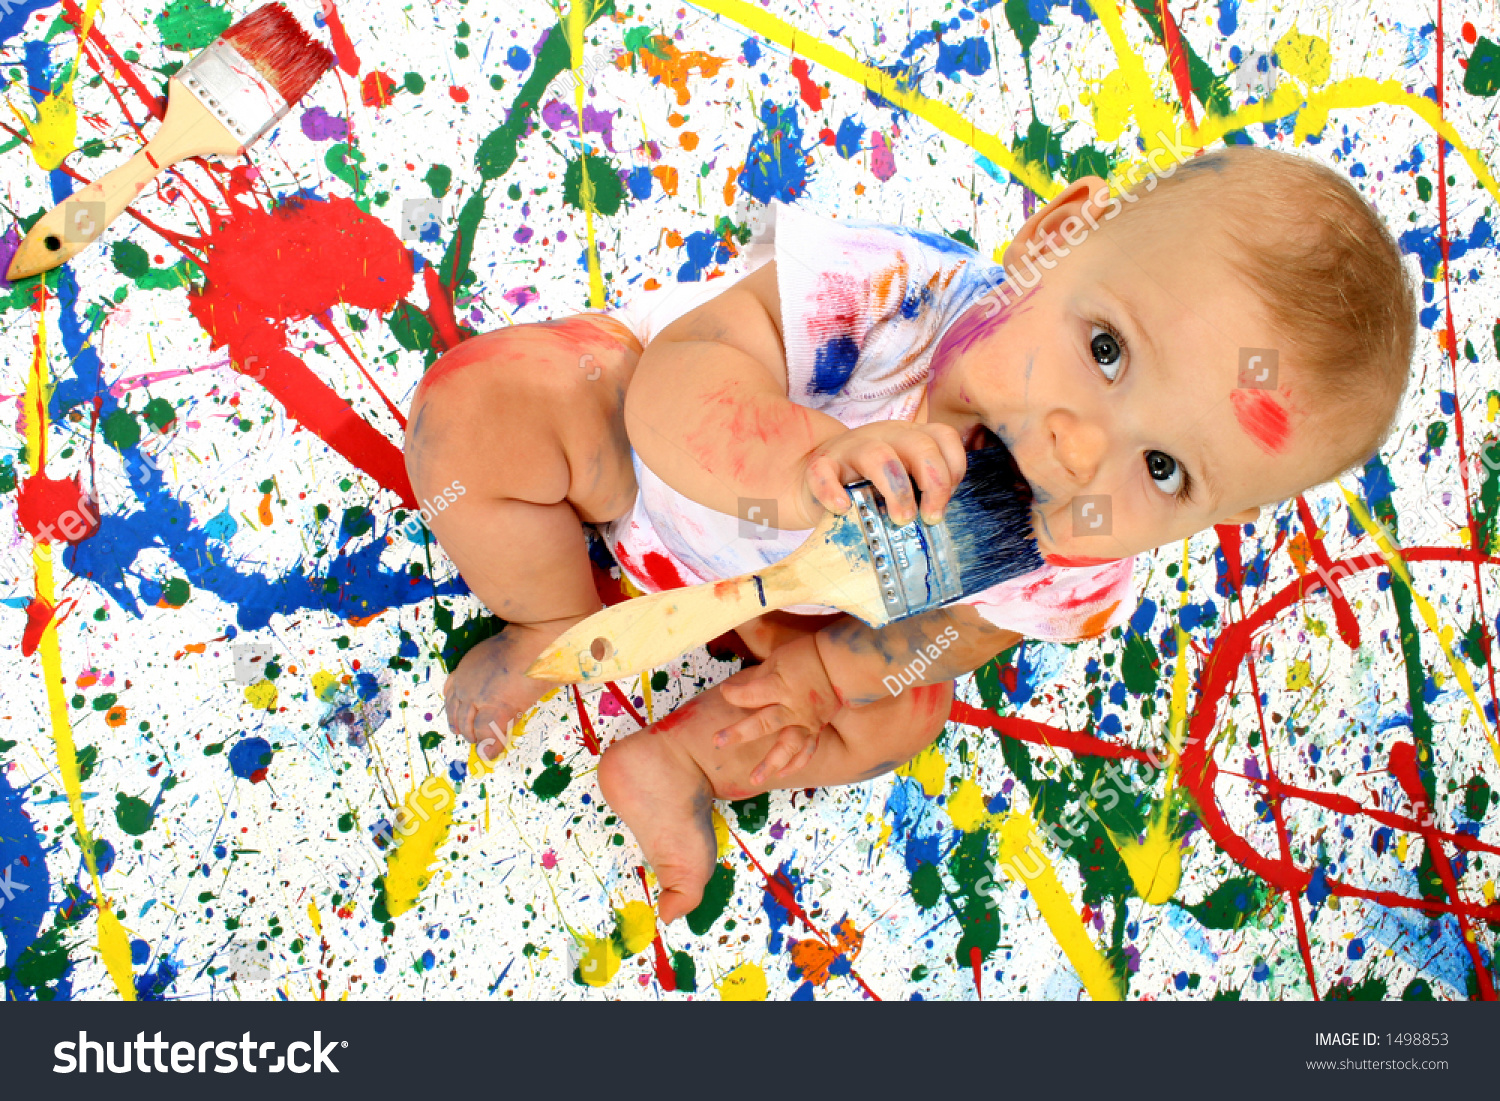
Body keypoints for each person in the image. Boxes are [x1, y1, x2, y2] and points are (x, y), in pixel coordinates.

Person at [402, 145, 1415, 922]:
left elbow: (959, 634)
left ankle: (685, 762)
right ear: (1052, 240)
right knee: (479, 411)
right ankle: (545, 620)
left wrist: (810, 683)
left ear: (1218, 517)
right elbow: (681, 379)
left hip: (780, 608)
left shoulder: (1080, 565)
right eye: (1104, 349)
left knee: (905, 710)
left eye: (1166, 471)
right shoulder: (890, 294)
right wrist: (795, 461)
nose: (1075, 452)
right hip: (639, 454)